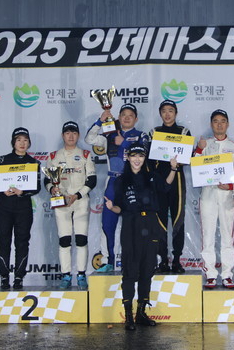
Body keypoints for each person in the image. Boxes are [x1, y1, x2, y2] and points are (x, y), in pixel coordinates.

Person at [104, 143, 176, 330]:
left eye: (141, 156)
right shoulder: (121, 180)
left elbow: (166, 187)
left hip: (150, 224)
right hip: (131, 225)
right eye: (134, 156)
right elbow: (119, 208)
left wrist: (173, 168)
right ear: (128, 157)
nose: (137, 160)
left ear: (145, 158)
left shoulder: (152, 176)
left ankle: (141, 312)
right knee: (130, 269)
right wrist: (112, 207)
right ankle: (129, 315)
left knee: (147, 268)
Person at [85, 103, 149, 273]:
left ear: (136, 119)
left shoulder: (141, 135)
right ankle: (107, 261)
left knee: (135, 224)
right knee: (108, 223)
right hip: (113, 182)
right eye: (123, 115)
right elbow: (89, 139)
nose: (127, 118)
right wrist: (100, 121)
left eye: (130, 115)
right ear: (119, 118)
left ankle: (136, 260)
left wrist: (124, 143)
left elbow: (145, 153)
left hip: (133, 182)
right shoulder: (109, 135)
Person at [45, 121, 97, 290]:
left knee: (81, 239)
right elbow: (47, 180)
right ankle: (66, 275)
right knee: (64, 240)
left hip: (80, 201)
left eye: (74, 133)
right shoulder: (54, 156)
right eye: (67, 133)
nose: (71, 136)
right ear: (63, 135)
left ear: (78, 135)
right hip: (62, 202)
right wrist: (52, 189)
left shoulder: (85, 154)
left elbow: (92, 179)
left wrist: (78, 195)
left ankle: (81, 274)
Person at [0, 127, 41, 291]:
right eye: (19, 140)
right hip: (4, 207)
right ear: (13, 142)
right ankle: (4, 276)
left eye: (25, 140)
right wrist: (2, 190)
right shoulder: (3, 160)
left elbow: (37, 187)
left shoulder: (33, 163)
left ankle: (19, 277)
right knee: (3, 241)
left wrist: (23, 192)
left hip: (23, 208)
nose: (22, 143)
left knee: (22, 242)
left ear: (29, 143)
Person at [193, 109, 234, 289]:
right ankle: (210, 274)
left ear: (228, 124)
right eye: (215, 121)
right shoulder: (205, 143)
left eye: (222, 121)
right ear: (211, 124)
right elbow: (195, 166)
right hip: (208, 195)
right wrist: (199, 149)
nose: (219, 124)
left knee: (228, 236)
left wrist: (232, 188)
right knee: (208, 236)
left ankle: (227, 275)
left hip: (227, 196)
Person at [148, 99, 191, 274]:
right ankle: (163, 260)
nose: (167, 114)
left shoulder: (184, 132)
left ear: (176, 113)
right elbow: (149, 160)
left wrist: (176, 164)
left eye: (170, 110)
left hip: (177, 181)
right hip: (159, 182)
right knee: (159, 221)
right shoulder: (154, 132)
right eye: (164, 111)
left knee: (178, 219)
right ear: (160, 113)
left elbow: (187, 158)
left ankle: (177, 260)